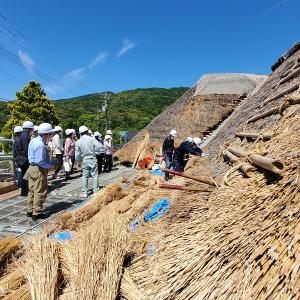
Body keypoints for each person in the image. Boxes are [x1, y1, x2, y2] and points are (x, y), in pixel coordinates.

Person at [27, 123, 55, 220]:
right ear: (46, 134)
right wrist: (50, 166)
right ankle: (37, 213)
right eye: (50, 134)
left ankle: (30, 210)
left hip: (31, 167)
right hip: (39, 169)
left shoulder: (33, 140)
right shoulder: (40, 145)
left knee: (32, 190)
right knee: (40, 191)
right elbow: (40, 161)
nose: (51, 136)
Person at [75, 126, 100, 198]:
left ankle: (84, 192)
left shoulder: (78, 142)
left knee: (84, 176)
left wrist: (78, 162)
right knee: (94, 175)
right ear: (87, 131)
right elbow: (99, 146)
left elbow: (77, 154)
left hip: (85, 159)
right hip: (92, 158)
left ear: (80, 133)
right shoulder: (92, 139)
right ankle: (96, 191)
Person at [17, 121, 34, 196]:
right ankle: (24, 192)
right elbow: (26, 149)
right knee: (25, 176)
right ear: (27, 129)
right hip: (24, 159)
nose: (31, 131)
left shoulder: (23, 136)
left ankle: (25, 191)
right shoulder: (25, 137)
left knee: (25, 175)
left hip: (23, 158)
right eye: (31, 129)